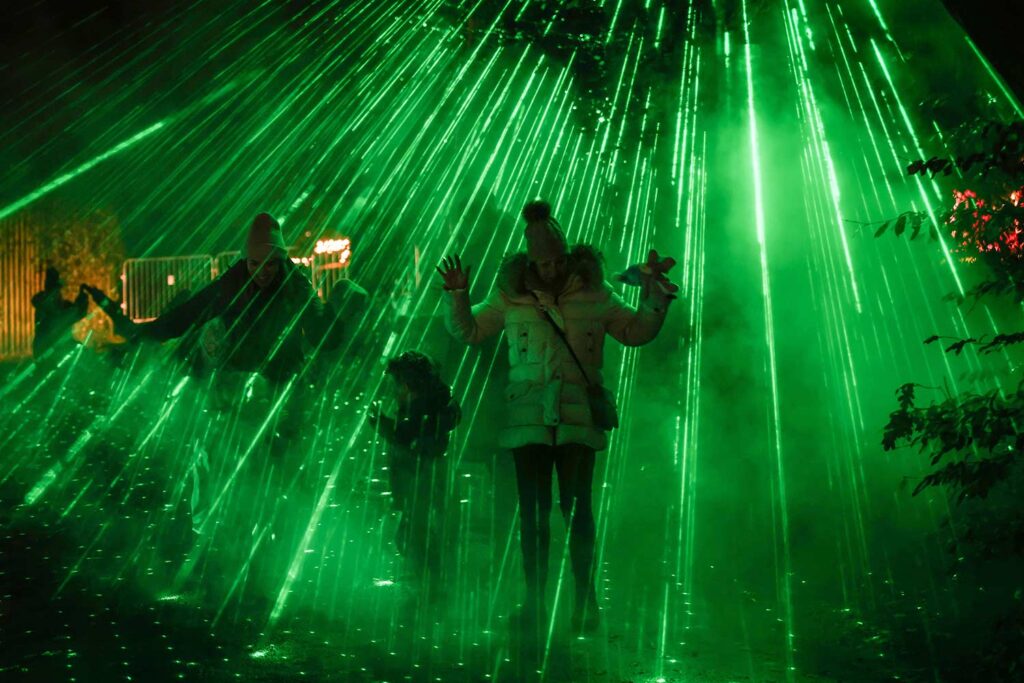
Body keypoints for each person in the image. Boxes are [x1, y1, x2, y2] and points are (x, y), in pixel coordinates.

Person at [436, 199, 678, 634]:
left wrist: (654, 301)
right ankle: (535, 603)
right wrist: (457, 297)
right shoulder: (510, 295)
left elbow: (633, 331)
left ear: (567, 258)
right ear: (530, 260)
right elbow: (470, 330)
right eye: (541, 263)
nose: (549, 270)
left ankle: (585, 602)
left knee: (576, 508)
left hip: (577, 419)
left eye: (556, 262)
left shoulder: (595, 293)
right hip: (528, 416)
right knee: (533, 511)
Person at [89, 213, 337, 435]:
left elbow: (321, 332)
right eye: (255, 263)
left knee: (281, 449)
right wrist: (138, 340)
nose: (262, 271)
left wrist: (339, 323)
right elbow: (186, 315)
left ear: (281, 260)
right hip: (238, 378)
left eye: (270, 263)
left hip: (281, 379)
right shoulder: (232, 284)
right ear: (246, 260)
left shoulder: (296, 286)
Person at [369, 351, 460, 603]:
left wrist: (383, 426)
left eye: (396, 385)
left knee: (413, 537)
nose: (394, 392)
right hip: (421, 489)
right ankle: (429, 588)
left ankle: (425, 590)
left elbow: (411, 442)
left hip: (420, 487)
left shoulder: (422, 411)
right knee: (415, 535)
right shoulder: (429, 406)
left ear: (407, 384)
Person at [31, 266, 88, 360]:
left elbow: (77, 313)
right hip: (48, 352)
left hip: (56, 349)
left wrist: (82, 299)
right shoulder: (45, 305)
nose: (58, 294)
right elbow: (69, 315)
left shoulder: (56, 306)